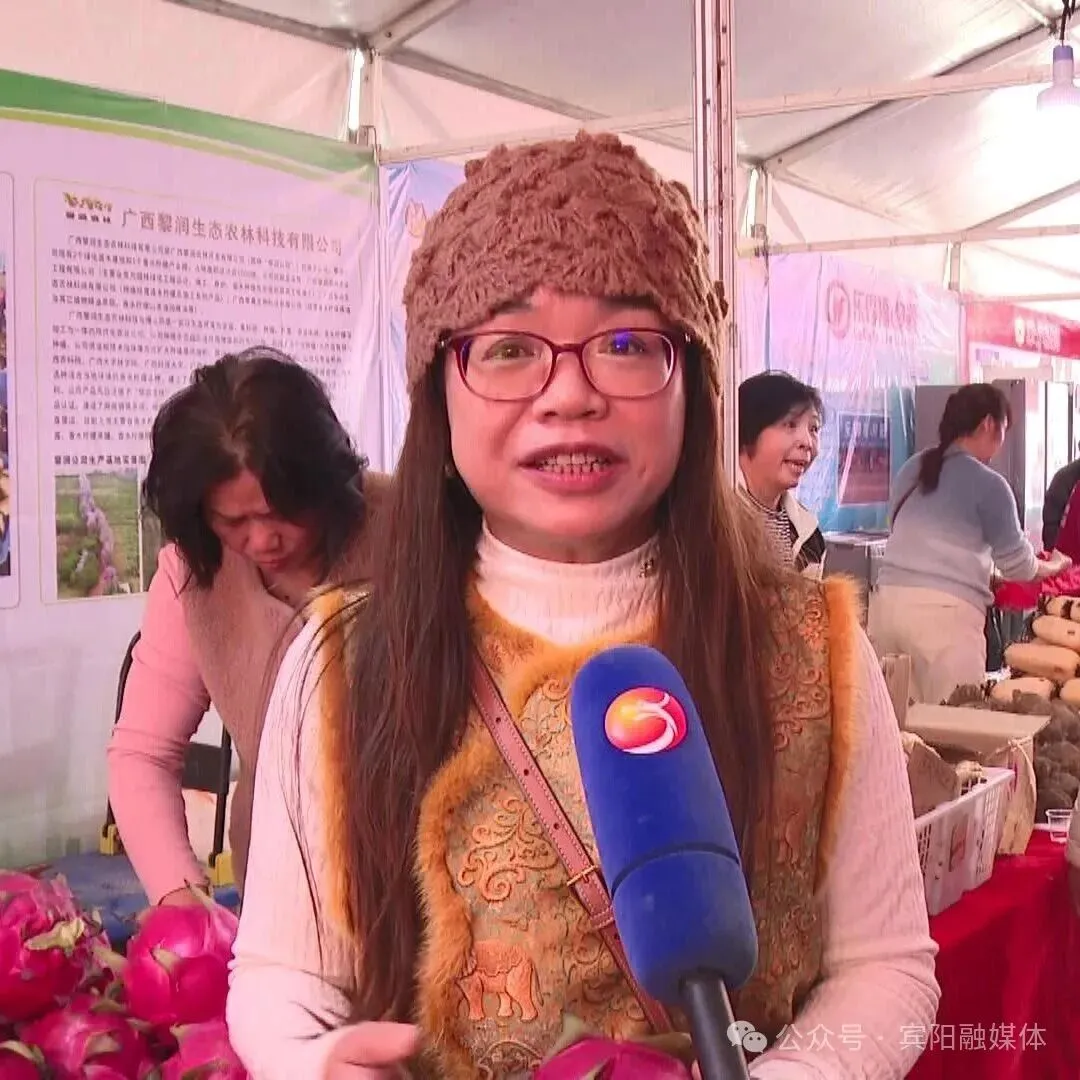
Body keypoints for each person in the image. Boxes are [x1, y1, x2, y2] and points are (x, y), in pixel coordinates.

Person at [228, 134, 938, 1079]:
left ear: (692, 388)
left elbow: (886, 966)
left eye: (627, 344)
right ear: (439, 391)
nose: (568, 394)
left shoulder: (816, 650)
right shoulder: (341, 662)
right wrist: (310, 1061)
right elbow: (280, 970)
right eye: (509, 349)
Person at [107, 347, 385, 906]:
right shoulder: (194, 574)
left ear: (325, 482)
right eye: (233, 520)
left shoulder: (411, 526)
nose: (262, 540)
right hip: (278, 890)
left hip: (430, 884)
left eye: (283, 512)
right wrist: (180, 896)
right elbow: (143, 755)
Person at [868, 384, 1065, 705]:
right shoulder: (990, 485)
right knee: (956, 719)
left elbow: (906, 538)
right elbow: (1019, 565)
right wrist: (1054, 565)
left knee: (895, 722)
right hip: (944, 620)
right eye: (1003, 429)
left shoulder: (911, 469)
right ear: (988, 424)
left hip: (887, 606)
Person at [737, 371, 826, 577]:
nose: (807, 443)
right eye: (790, 424)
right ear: (747, 430)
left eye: (814, 428)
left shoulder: (810, 536)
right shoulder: (711, 520)